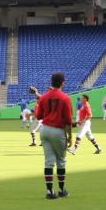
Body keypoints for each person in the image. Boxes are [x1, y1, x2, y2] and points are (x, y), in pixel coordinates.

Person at [35, 72, 72, 200]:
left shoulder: (44, 97)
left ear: (51, 82)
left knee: (48, 162)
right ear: (62, 82)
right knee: (61, 161)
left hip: (44, 130)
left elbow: (38, 116)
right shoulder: (65, 98)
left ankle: (50, 192)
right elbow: (68, 120)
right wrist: (70, 137)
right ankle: (62, 190)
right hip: (58, 130)